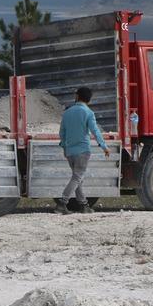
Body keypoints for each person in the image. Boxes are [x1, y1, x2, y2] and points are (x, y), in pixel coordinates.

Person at [56, 87, 110, 215]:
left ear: (77, 96)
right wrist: (104, 147)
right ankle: (62, 203)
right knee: (77, 177)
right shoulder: (88, 113)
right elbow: (95, 131)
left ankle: (84, 205)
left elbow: (62, 132)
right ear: (89, 99)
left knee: (77, 178)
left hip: (70, 151)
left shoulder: (67, 112)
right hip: (83, 150)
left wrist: (64, 147)